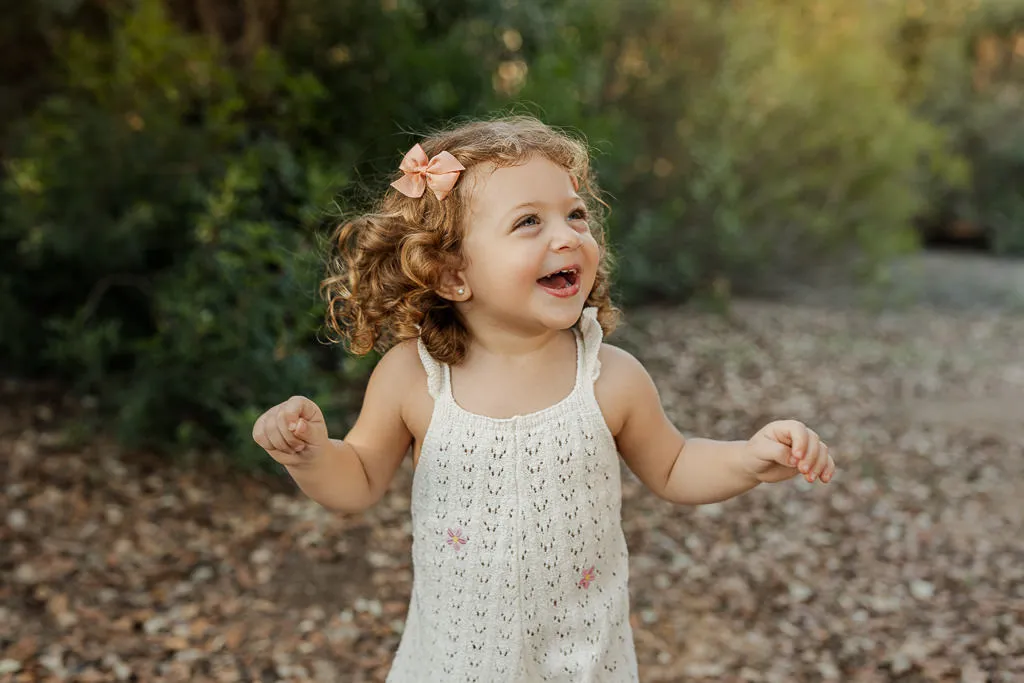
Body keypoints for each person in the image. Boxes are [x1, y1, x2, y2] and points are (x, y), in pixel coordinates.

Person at [252, 115, 837, 682]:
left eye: (576, 215)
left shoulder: (608, 377)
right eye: (529, 222)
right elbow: (356, 479)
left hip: (583, 659)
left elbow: (676, 465)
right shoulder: (415, 377)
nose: (568, 236)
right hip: (459, 660)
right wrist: (309, 455)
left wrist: (749, 460)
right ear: (453, 273)